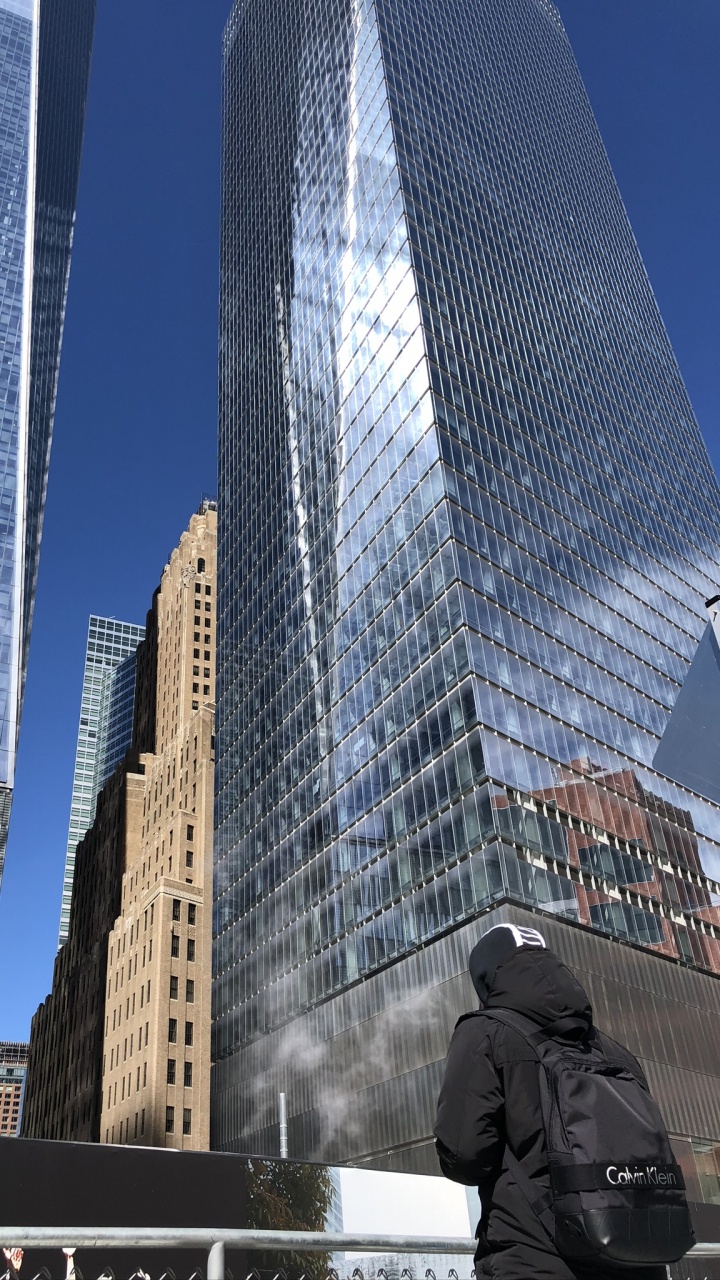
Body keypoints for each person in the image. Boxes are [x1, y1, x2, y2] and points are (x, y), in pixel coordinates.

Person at [434, 923, 669, 1280]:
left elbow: (465, 1156)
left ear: (485, 980)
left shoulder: (484, 1031)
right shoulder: (617, 1053)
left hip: (535, 1259)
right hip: (635, 1257)